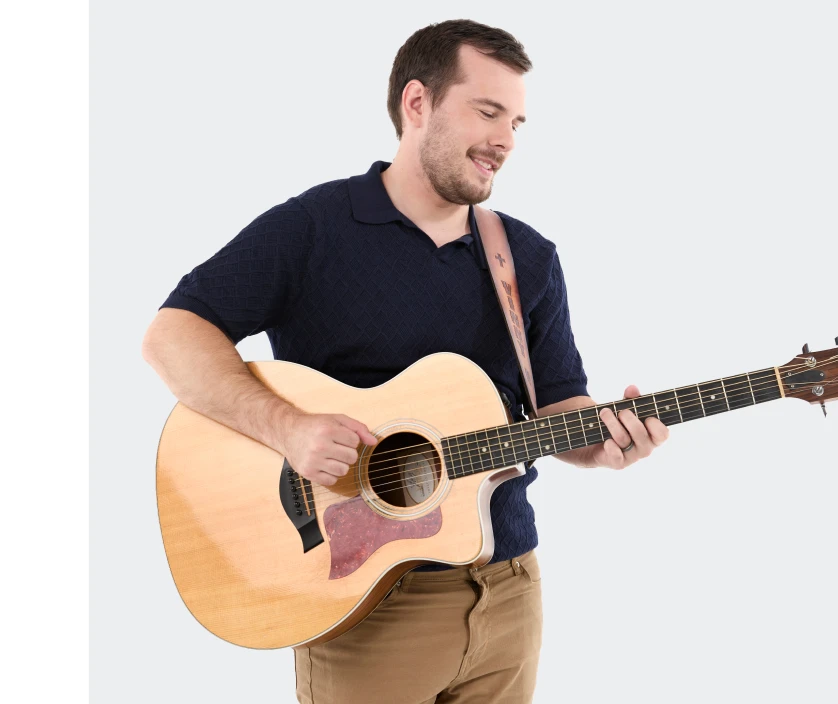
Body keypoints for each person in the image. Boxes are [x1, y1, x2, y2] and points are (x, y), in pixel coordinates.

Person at [142, 18, 670, 704]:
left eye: (516, 121)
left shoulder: (527, 258)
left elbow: (556, 403)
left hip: (509, 591)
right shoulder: (313, 228)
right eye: (487, 112)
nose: (505, 140)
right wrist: (287, 429)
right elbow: (170, 334)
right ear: (416, 104)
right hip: (363, 602)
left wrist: (603, 441)